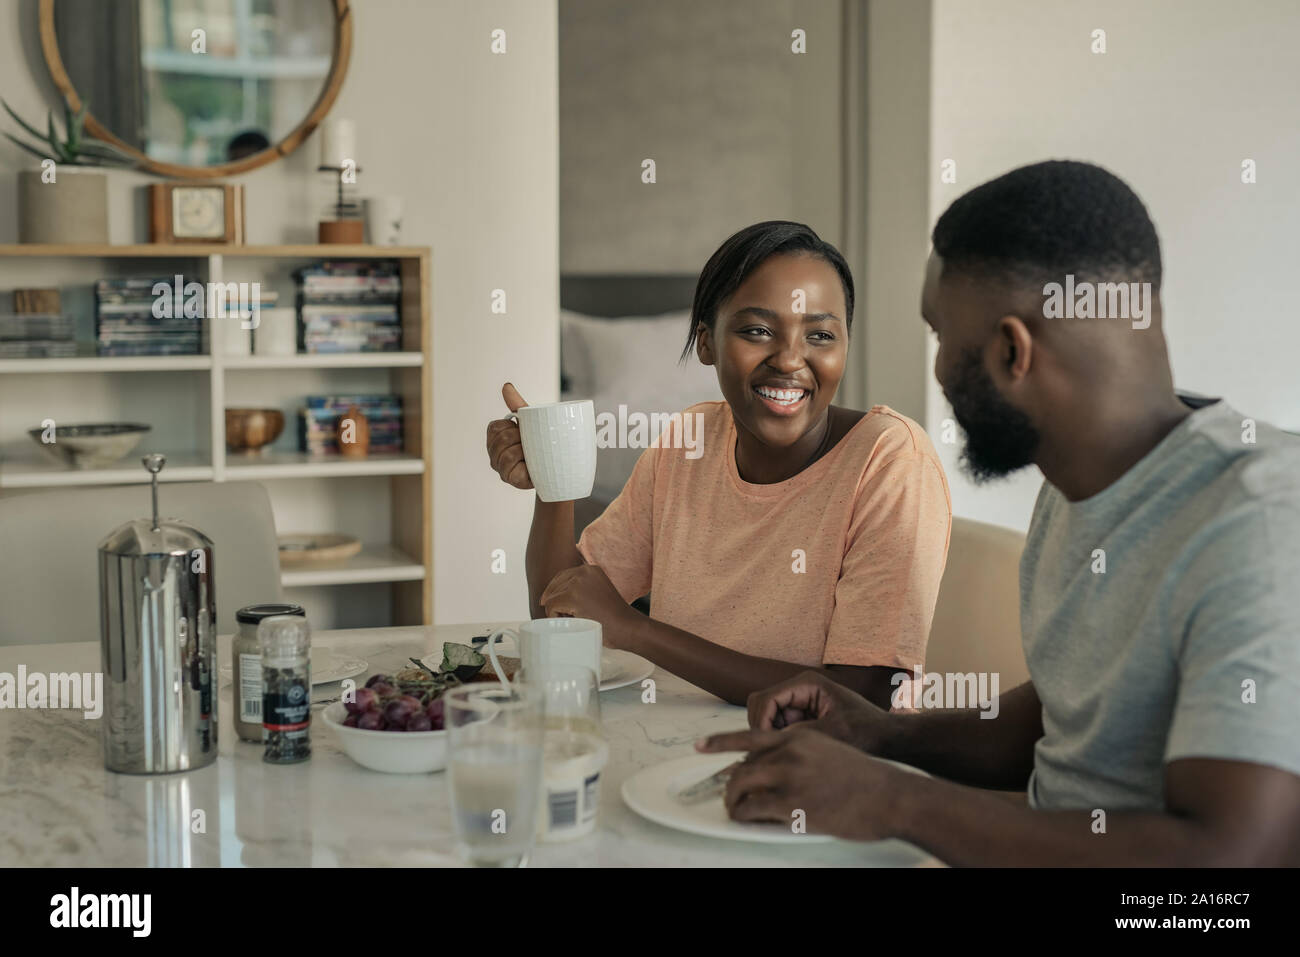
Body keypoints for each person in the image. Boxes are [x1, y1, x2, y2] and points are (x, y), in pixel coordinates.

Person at [699, 161, 1300, 865]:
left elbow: (1229, 866)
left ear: (1012, 350)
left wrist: (894, 799)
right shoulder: (1081, 478)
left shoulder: (1259, 523)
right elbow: (1061, 722)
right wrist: (878, 734)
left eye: (939, 336)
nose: (938, 369)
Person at [486, 222, 951, 707]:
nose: (791, 359)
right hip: (674, 743)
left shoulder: (889, 459)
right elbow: (560, 622)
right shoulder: (690, 442)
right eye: (757, 331)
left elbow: (867, 696)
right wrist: (552, 478)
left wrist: (634, 630)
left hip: (816, 766)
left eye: (820, 334)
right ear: (706, 342)